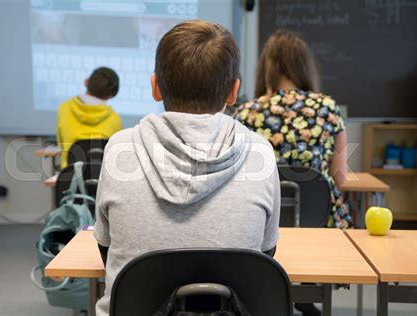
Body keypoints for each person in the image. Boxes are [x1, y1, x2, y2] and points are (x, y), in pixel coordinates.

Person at [94, 20, 281, 315]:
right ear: (234, 92)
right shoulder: (260, 151)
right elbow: (265, 253)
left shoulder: (120, 148)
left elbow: (106, 247)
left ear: (155, 87)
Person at [231, 29, 350, 316]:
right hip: (318, 225)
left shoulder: (246, 112)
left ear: (266, 68)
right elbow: (341, 178)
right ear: (304, 66)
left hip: (258, 223)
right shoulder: (327, 108)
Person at [56, 67, 122, 169]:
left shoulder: (64, 109)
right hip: (103, 181)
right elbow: (117, 152)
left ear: (86, 82)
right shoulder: (114, 117)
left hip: (70, 179)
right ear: (109, 95)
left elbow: (61, 144)